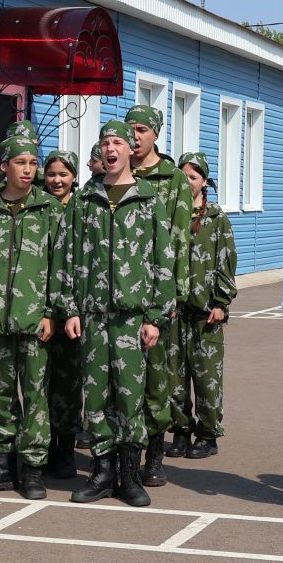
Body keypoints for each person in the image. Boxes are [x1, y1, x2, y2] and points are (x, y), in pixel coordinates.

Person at [59, 121, 173, 506]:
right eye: (105, 142)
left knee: (130, 394)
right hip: (92, 313)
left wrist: (156, 315)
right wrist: (70, 308)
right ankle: (101, 471)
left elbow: (163, 259)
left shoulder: (147, 198)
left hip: (131, 315)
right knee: (95, 395)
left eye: (118, 142)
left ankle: (129, 474)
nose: (110, 148)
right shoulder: (84, 199)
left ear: (129, 150)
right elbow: (67, 254)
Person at [0, 137, 65, 500]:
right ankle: (1, 466)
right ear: (4, 166)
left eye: (33, 163)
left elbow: (60, 268)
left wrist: (52, 311)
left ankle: (33, 470)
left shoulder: (49, 209)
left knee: (36, 396)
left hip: (35, 321)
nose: (28, 170)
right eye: (21, 162)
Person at [124, 104, 196, 487]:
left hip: (158, 297)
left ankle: (153, 454)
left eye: (140, 130)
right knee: (121, 380)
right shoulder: (120, 173)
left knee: (156, 379)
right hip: (120, 295)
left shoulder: (173, 180)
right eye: (130, 129)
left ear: (154, 134)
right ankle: (126, 455)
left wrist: (174, 297)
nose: (134, 137)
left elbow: (181, 241)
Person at [165, 152, 238, 460]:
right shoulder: (170, 215)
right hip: (174, 311)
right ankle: (181, 431)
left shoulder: (216, 217)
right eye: (182, 177)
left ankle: (207, 434)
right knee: (173, 377)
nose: (187, 182)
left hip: (206, 312)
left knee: (207, 378)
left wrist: (221, 302)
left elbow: (226, 259)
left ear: (204, 182)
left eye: (193, 177)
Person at [42, 149, 84, 483]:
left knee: (68, 384)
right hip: (38, 307)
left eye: (63, 174)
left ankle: (66, 450)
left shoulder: (82, 208)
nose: (57, 180)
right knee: (38, 383)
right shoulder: (37, 206)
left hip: (69, 307)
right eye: (52, 173)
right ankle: (42, 448)